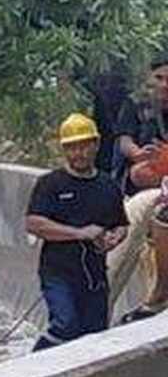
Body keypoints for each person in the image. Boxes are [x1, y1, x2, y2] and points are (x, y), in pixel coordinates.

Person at [25, 113, 128, 350]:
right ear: (64, 150)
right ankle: (32, 363)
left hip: (94, 276)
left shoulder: (107, 185)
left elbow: (121, 224)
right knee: (65, 324)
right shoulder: (50, 184)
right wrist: (79, 233)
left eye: (84, 146)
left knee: (94, 335)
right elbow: (34, 223)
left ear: (96, 145)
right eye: (72, 148)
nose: (78, 153)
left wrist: (114, 238)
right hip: (58, 273)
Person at [107, 56, 168, 321]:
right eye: (159, 78)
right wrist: (139, 155)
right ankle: (96, 312)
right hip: (138, 189)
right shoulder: (136, 105)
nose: (164, 85)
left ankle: (157, 299)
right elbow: (124, 141)